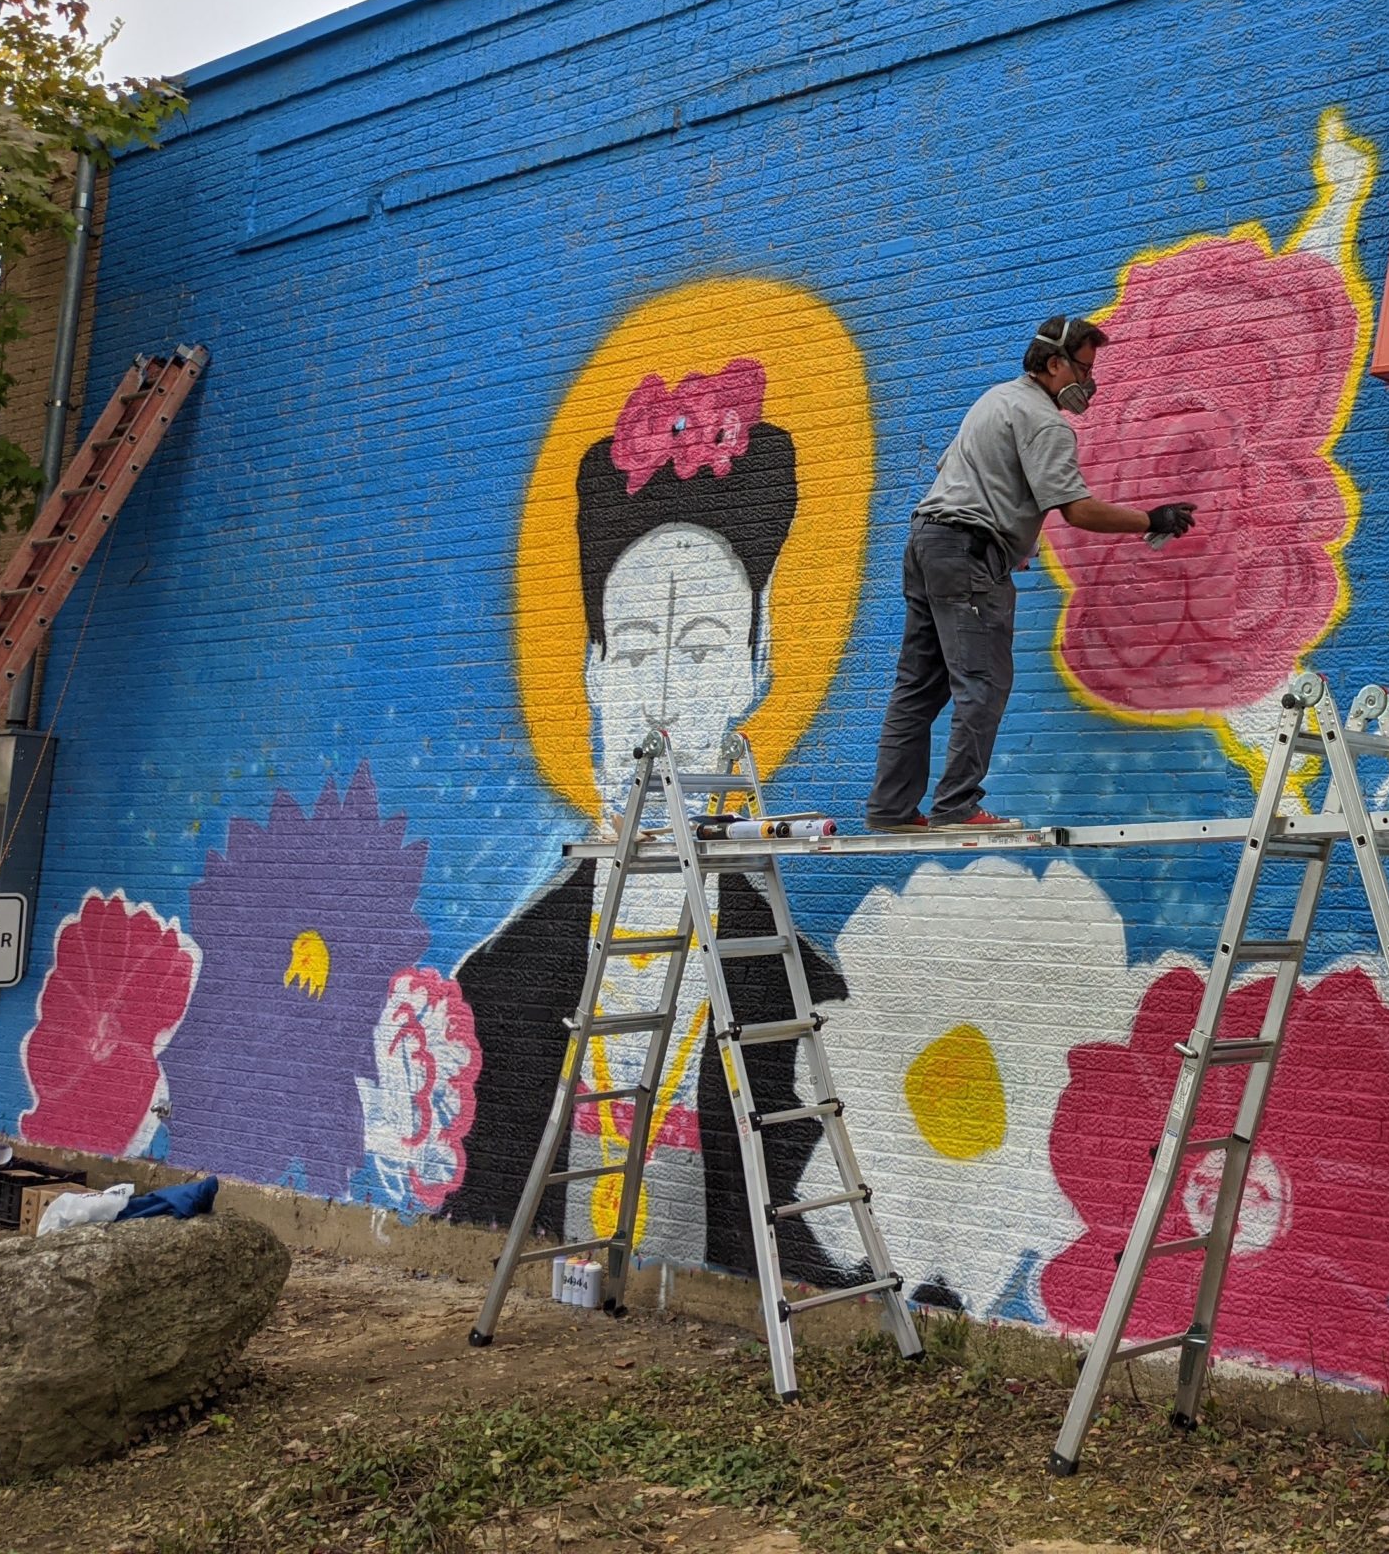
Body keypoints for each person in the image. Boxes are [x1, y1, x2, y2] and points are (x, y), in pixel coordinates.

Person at [449, 360, 858, 1289]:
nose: (663, 701)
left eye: (704, 649)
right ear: (591, 668)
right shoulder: (493, 987)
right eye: (633, 651)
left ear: (758, 666)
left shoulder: (807, 1003)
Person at [866, 315, 1196, 831]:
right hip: (969, 552)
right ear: (1053, 363)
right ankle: (955, 806)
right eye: (1082, 370)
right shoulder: (1044, 421)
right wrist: (1151, 519)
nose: (1089, 383)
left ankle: (890, 809)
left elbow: (961, 475)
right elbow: (1078, 510)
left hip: (929, 541)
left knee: (919, 687)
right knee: (985, 681)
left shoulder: (996, 399)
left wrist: (1013, 537)